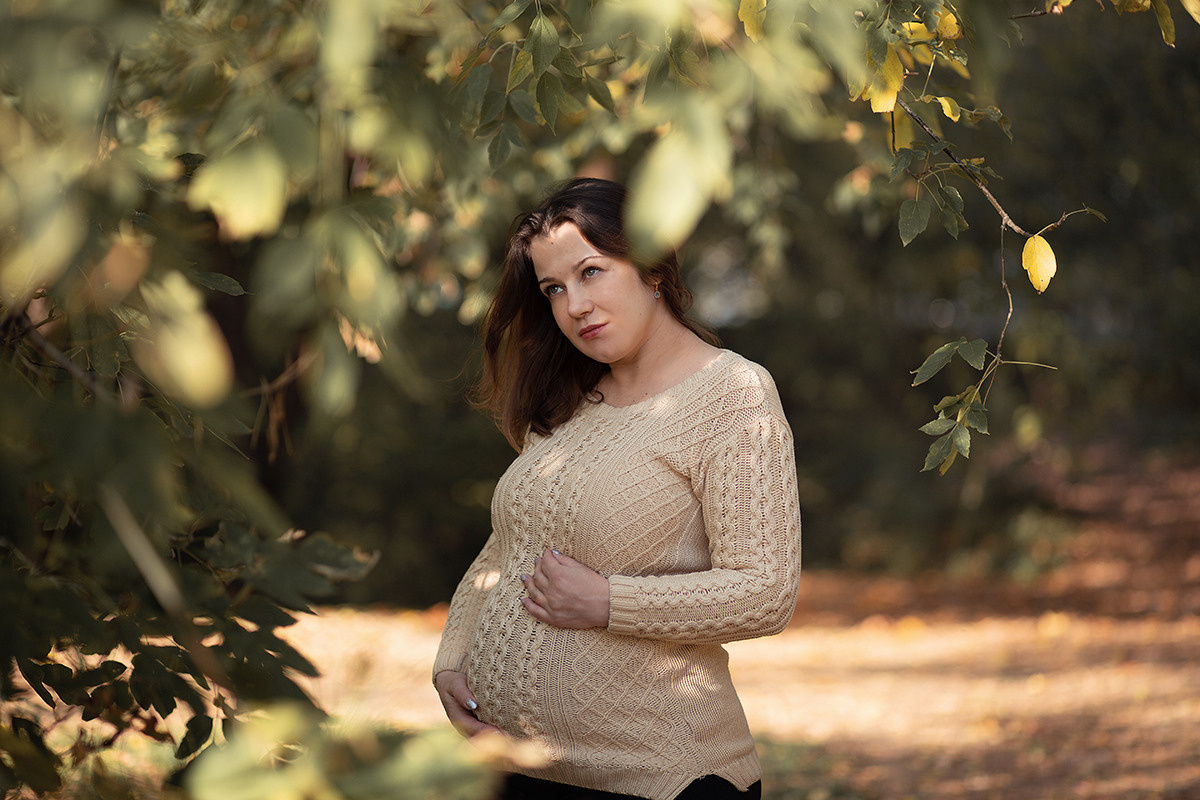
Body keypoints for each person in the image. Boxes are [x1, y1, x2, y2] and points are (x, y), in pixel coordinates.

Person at [433, 177, 801, 800]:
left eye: (591, 272)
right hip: (515, 767)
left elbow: (766, 590)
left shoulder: (732, 396)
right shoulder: (570, 400)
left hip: (661, 778)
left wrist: (608, 601)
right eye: (554, 288)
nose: (574, 305)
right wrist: (453, 655)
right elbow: (509, 547)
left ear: (652, 266)